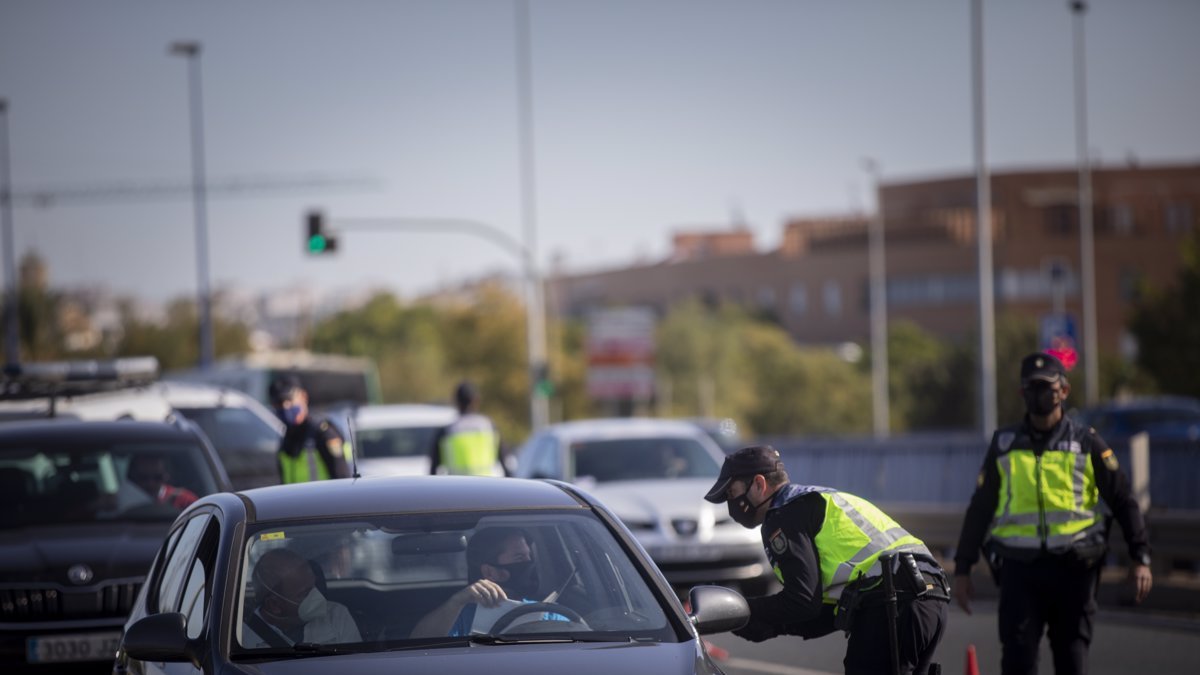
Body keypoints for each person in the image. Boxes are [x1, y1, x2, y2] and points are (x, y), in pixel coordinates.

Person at [953, 352, 1153, 675]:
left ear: (1064, 390)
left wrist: (1140, 556)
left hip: (1075, 569)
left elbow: (1123, 499)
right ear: (1022, 393)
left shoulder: (1086, 443)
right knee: (1017, 662)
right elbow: (980, 508)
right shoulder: (1004, 445)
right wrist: (963, 568)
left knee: (1072, 660)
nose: (1039, 394)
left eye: (1046, 387)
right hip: (1019, 571)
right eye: (1031, 387)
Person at [704, 445, 949, 675]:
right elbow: (826, 611)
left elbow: (801, 600)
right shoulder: (819, 498)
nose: (731, 505)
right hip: (930, 593)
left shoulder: (782, 515)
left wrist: (745, 610)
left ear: (759, 484)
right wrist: (774, 626)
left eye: (732, 493)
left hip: (893, 600)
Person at [410, 527, 569, 637]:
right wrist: (455, 602)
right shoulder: (463, 614)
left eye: (529, 557)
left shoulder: (547, 611)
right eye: (520, 558)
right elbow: (418, 645)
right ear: (490, 572)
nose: (529, 563)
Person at [241, 547, 361, 647]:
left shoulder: (336, 615)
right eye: (305, 593)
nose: (316, 595)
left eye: (314, 585)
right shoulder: (241, 639)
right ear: (274, 605)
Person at [269, 375, 351, 484]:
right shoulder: (286, 438)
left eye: (289, 400)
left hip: (323, 500)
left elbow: (342, 480)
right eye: (279, 403)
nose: (285, 407)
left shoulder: (323, 432)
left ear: (303, 397)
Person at [428, 380, 501, 476]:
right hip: (487, 487)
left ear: (456, 402)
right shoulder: (489, 426)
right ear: (476, 400)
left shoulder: (447, 432)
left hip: (457, 488)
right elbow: (505, 462)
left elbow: (433, 470)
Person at [126, 454, 198, 509]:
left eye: (157, 478)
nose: (151, 484)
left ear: (166, 476)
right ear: (133, 479)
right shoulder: (123, 502)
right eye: (143, 478)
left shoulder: (184, 500)